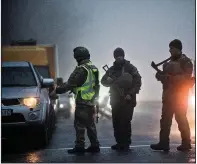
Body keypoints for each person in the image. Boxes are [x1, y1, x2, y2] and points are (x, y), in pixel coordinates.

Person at [50, 47, 100, 154]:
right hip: (91, 101)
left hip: (82, 101)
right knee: (90, 124)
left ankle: (80, 146)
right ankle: (95, 145)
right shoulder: (93, 68)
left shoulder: (82, 69)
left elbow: (70, 84)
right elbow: (95, 86)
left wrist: (56, 90)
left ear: (78, 57)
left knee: (79, 124)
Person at [150, 39, 193, 151]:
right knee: (165, 120)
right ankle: (163, 143)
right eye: (170, 48)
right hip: (168, 96)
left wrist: (170, 78)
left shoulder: (186, 61)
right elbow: (165, 78)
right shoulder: (167, 63)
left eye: (172, 48)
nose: (170, 50)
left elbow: (187, 78)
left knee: (181, 119)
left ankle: (186, 143)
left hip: (180, 97)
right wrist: (159, 76)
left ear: (178, 49)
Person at [101, 47, 142, 151]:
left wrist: (130, 94)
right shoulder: (111, 69)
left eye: (120, 56)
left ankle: (126, 143)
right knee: (116, 122)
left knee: (125, 121)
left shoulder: (130, 68)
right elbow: (103, 81)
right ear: (114, 57)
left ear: (123, 56)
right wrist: (108, 81)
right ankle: (119, 142)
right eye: (117, 56)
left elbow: (138, 82)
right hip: (115, 100)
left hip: (128, 100)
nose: (119, 58)